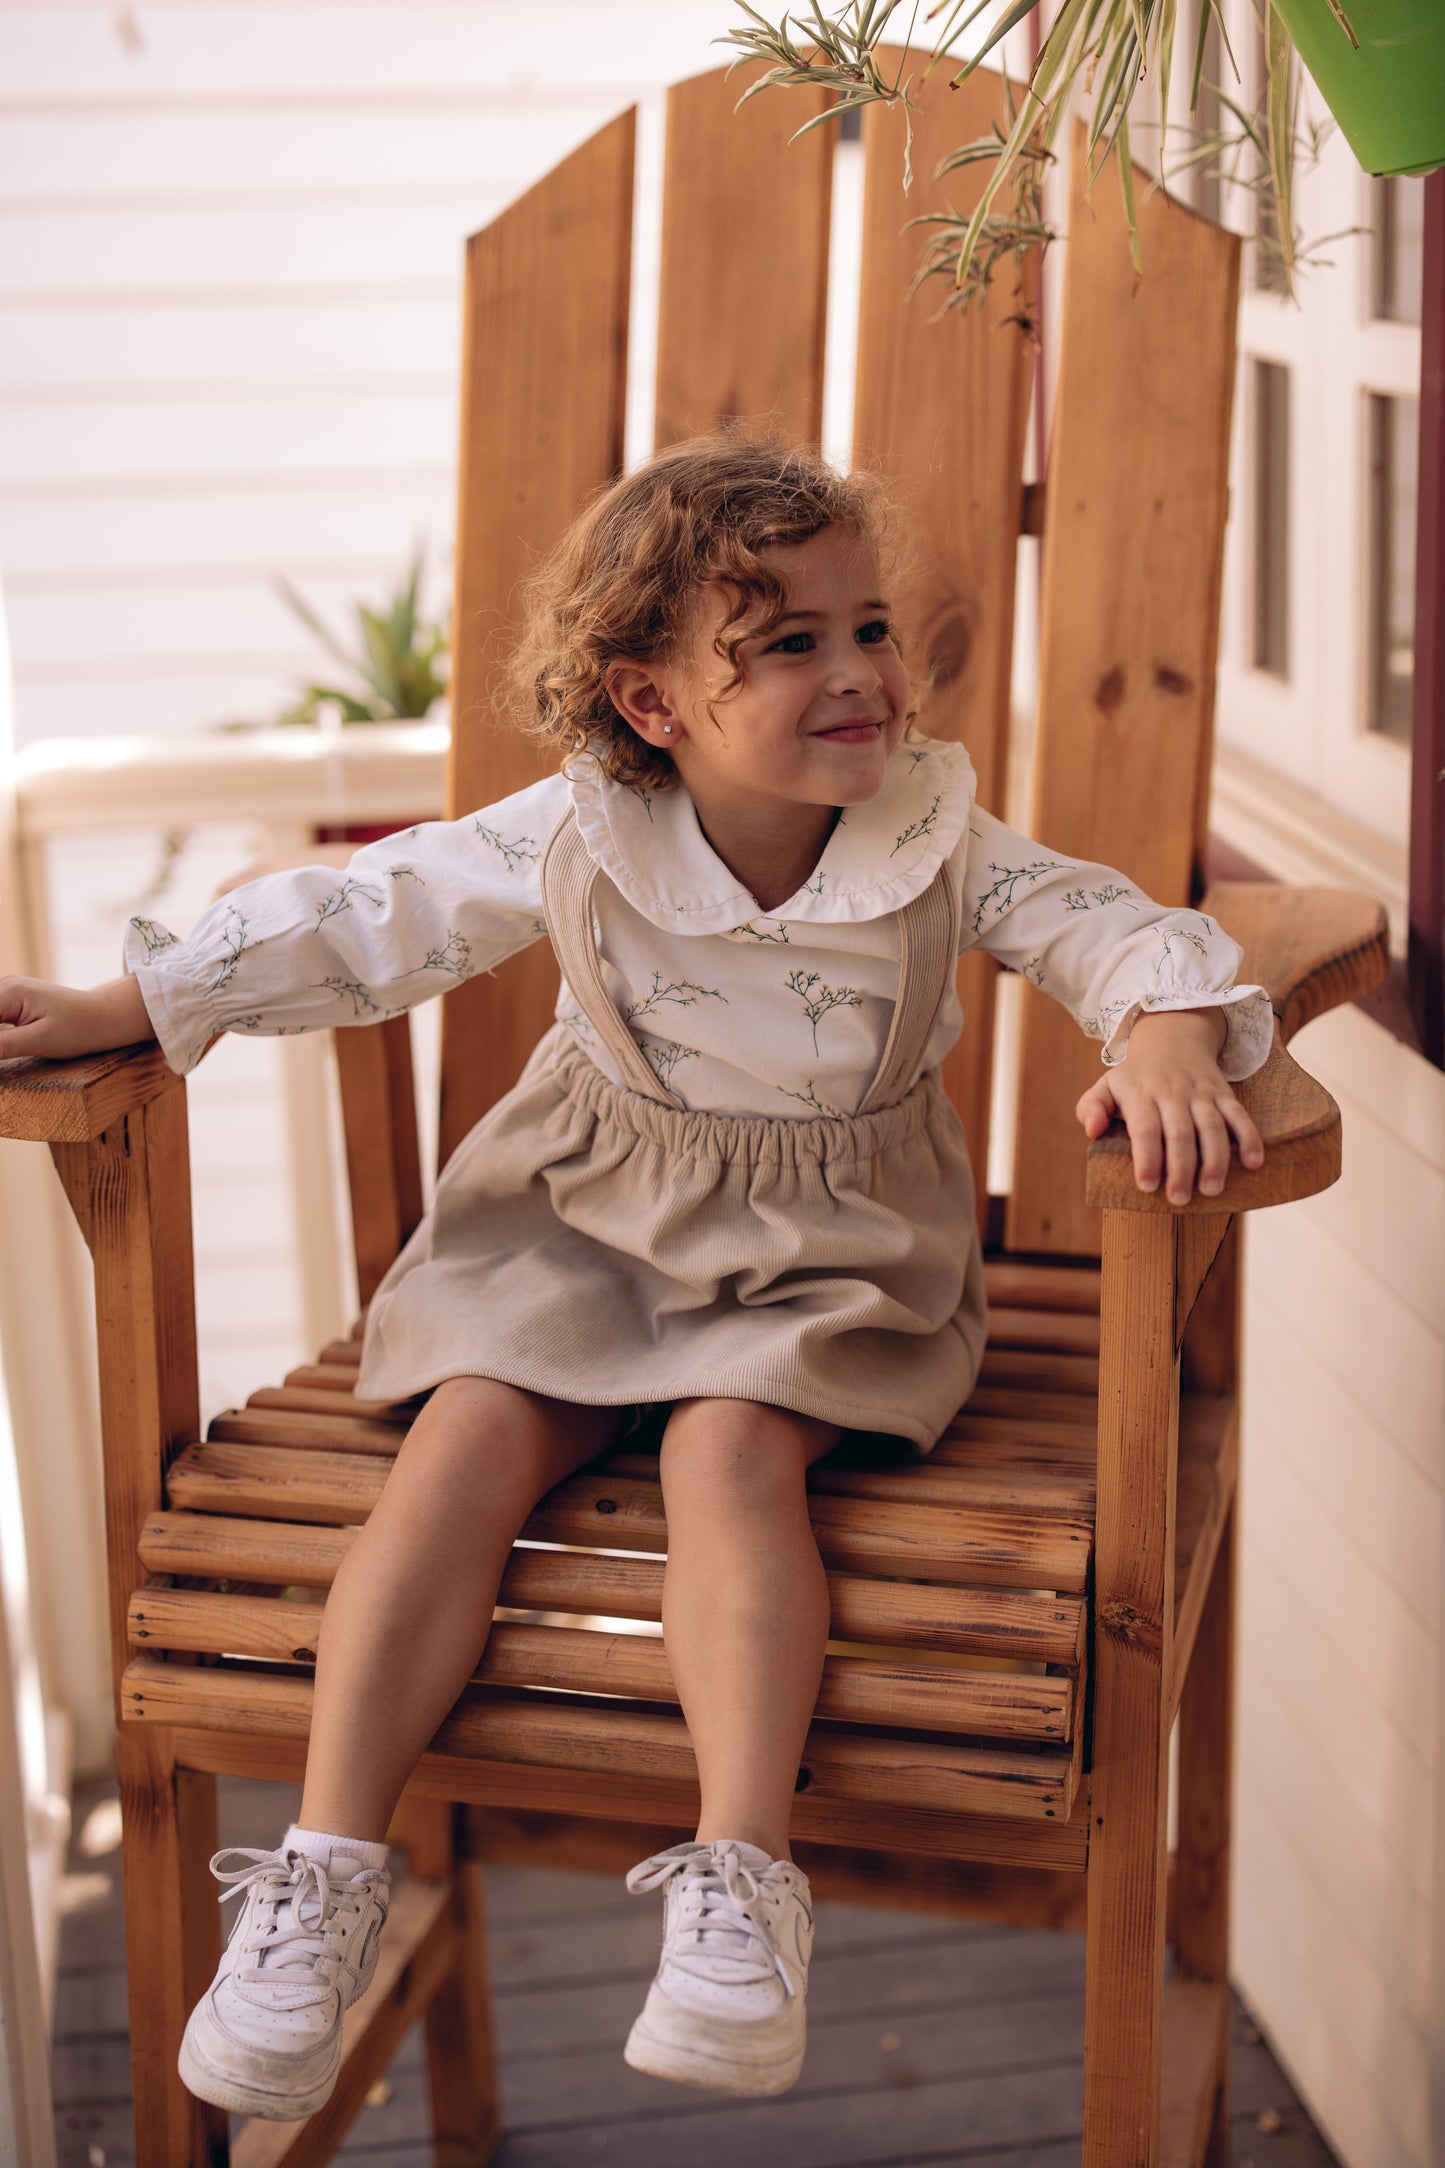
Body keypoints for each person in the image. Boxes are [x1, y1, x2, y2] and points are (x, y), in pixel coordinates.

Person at [0, 436, 1271, 2117]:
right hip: (577, 1221)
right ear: (651, 702)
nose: (861, 672)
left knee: (730, 1459)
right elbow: (370, 914)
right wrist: (135, 1006)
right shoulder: (580, 828)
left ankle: (740, 1882)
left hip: (824, 1259)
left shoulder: (933, 831)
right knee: (461, 1444)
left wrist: (1170, 1033)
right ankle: (321, 1875)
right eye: (792, 642)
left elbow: (1109, 927)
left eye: (869, 625)